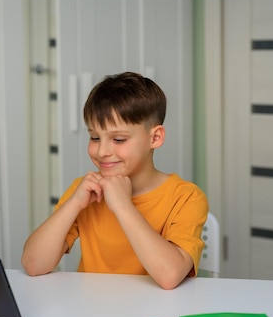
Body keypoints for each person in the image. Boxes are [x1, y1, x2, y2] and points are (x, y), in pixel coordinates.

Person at [22, 72, 208, 289]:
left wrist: (122, 205)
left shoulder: (186, 198)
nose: (102, 151)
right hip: (91, 311)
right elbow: (33, 264)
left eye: (118, 139)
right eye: (94, 137)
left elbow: (169, 276)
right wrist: (74, 203)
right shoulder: (86, 190)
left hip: (155, 315)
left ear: (155, 138)